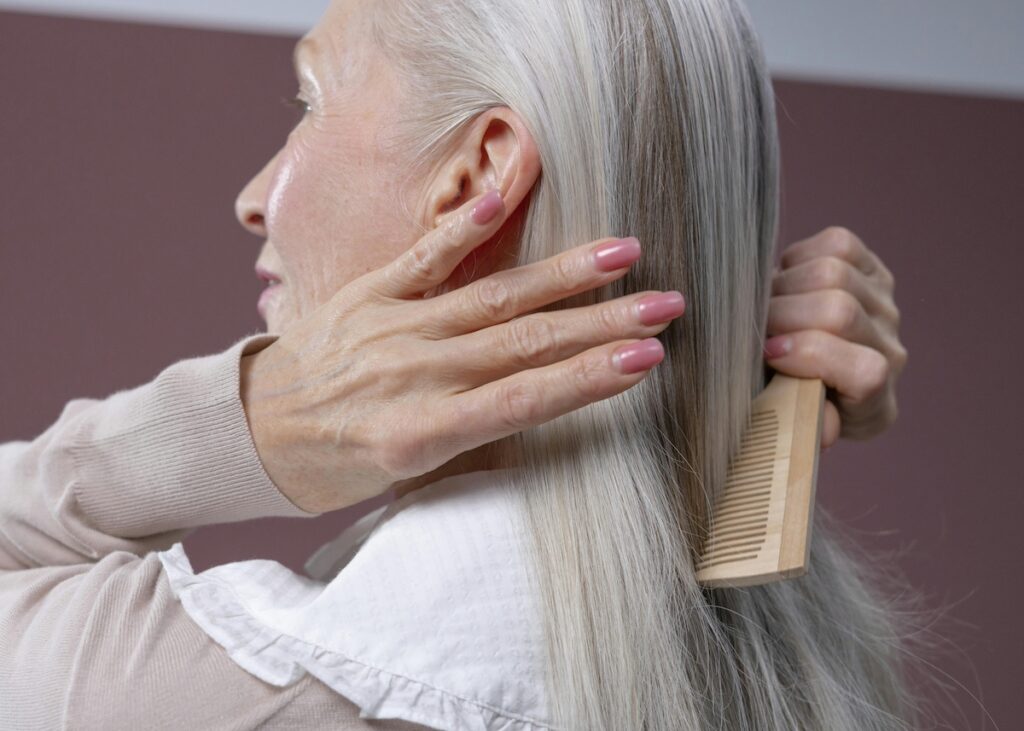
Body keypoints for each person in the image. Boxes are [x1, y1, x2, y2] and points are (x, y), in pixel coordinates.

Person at [0, 0, 910, 729]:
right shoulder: (818, 668)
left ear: (478, 176)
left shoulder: (215, 692)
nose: (252, 199)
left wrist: (251, 421)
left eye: (309, 102)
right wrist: (730, 368)